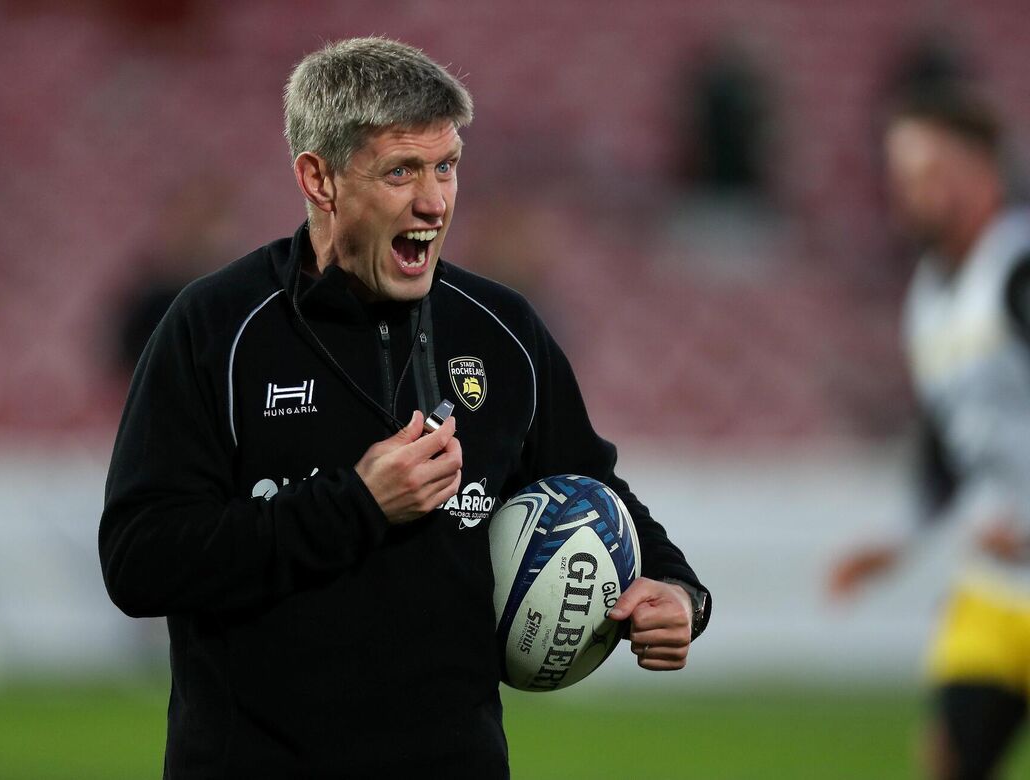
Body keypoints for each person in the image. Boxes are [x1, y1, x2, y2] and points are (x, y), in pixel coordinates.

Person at [100, 37, 711, 778]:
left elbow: (594, 487)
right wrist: (355, 505)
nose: (434, 201)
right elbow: (138, 561)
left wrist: (679, 590)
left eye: (446, 166)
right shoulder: (216, 329)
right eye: (401, 171)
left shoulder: (503, 331)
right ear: (319, 179)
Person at [829, 89, 1030, 779]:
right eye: (902, 175)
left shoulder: (1018, 271)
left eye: (929, 172)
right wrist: (896, 539)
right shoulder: (930, 297)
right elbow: (948, 447)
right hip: (999, 583)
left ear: (985, 174)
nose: (909, 191)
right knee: (948, 762)